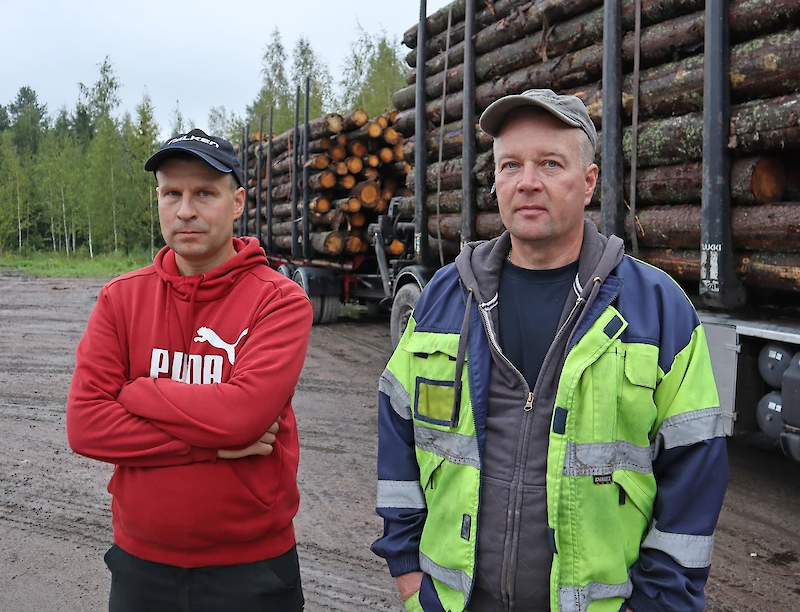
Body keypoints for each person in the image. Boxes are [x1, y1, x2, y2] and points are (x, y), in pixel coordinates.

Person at [372, 90, 729, 612]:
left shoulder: (656, 308)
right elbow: (397, 432)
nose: (528, 181)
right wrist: (408, 574)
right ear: (495, 181)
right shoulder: (446, 299)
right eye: (510, 164)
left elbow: (695, 473)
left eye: (550, 164)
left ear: (588, 183)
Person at [66, 129, 313, 611]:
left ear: (237, 201)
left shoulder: (279, 301)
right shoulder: (121, 299)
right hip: (142, 567)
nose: (185, 210)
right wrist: (213, 446)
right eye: (171, 193)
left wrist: (138, 392)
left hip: (252, 571)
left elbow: (244, 416)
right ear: (157, 200)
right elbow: (86, 426)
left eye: (204, 193)